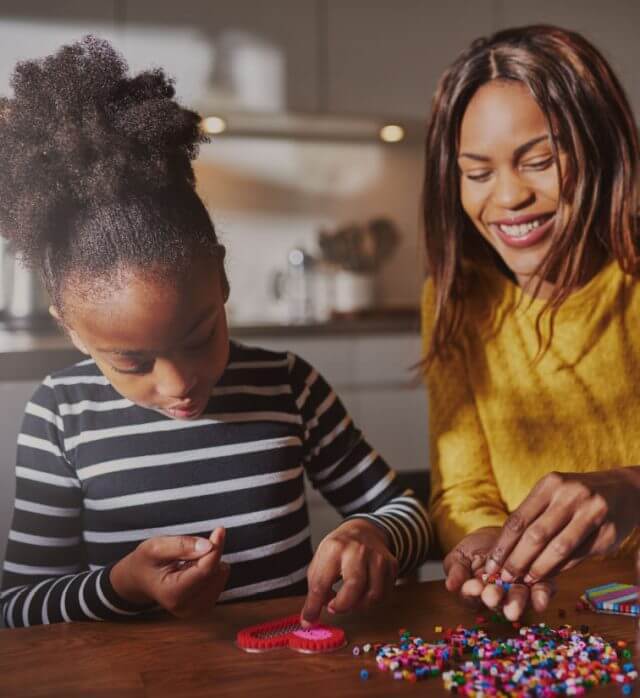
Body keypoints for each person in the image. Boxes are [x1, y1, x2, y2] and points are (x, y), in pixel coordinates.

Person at [0, 37, 431, 629]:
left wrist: (372, 531)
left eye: (199, 337)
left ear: (222, 280)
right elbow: (17, 610)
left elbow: (407, 509)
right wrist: (122, 586)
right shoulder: (60, 416)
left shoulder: (290, 386)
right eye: (132, 363)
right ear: (71, 331)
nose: (178, 383)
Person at [421, 24, 640, 621]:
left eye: (538, 161)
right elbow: (463, 489)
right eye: (477, 172)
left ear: (601, 148)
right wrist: (486, 539)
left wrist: (632, 487)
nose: (508, 197)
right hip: (551, 622)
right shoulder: (458, 299)